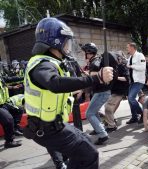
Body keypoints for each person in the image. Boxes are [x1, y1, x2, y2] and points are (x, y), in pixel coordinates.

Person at [23, 17, 113, 169]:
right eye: (66, 42)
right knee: (89, 155)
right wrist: (97, 77)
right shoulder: (42, 64)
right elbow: (54, 83)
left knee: (85, 146)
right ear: (56, 42)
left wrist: (71, 93)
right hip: (47, 129)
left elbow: (49, 91)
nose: (68, 47)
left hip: (54, 126)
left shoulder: (47, 62)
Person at [81, 43, 119, 145]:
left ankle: (103, 135)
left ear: (88, 53)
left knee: (89, 113)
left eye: (85, 52)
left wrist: (88, 75)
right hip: (101, 91)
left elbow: (96, 75)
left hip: (102, 92)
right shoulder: (96, 61)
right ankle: (99, 128)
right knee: (95, 111)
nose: (84, 54)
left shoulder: (95, 62)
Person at [104, 52, 130, 132]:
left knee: (108, 107)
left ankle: (111, 125)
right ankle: (110, 121)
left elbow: (126, 78)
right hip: (114, 90)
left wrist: (116, 77)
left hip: (120, 90)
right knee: (109, 107)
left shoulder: (122, 66)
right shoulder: (113, 67)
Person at [126, 43, 146, 124]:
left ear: (132, 48)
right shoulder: (130, 57)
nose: (127, 49)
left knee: (131, 98)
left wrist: (131, 66)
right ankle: (134, 117)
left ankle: (143, 114)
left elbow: (143, 67)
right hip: (132, 81)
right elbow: (128, 66)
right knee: (129, 99)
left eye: (128, 47)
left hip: (138, 81)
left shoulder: (140, 55)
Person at [0, 77, 22, 148]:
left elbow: (8, 80)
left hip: (4, 103)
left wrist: (12, 87)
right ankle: (9, 141)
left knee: (19, 110)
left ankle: (15, 129)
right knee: (9, 120)